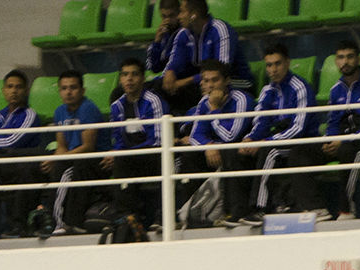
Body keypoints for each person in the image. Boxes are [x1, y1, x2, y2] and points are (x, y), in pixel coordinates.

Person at [242, 44, 322, 215]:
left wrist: (267, 142)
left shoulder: (300, 87)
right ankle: (235, 211)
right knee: (237, 153)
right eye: (269, 65)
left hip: (304, 143)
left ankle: (259, 209)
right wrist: (250, 139)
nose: (273, 70)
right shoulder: (267, 91)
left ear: (287, 63)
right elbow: (261, 122)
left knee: (269, 151)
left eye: (277, 64)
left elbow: (298, 128)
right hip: (280, 141)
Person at [319, 40, 360, 219]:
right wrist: (330, 140)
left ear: (358, 59)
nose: (345, 62)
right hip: (342, 141)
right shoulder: (335, 90)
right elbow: (332, 121)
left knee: (350, 153)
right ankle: (312, 208)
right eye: (340, 58)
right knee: (303, 153)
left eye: (349, 57)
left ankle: (346, 209)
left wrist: (345, 141)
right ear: (336, 61)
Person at [183, 61, 253, 227]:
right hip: (216, 153)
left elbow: (231, 136)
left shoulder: (242, 100)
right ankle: (190, 215)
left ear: (226, 81)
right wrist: (208, 146)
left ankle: (235, 213)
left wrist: (214, 109)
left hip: (242, 154)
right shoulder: (203, 103)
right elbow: (195, 135)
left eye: (215, 80)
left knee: (229, 152)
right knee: (188, 155)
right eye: (206, 81)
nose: (210, 85)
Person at [103, 58, 168, 237]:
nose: (129, 79)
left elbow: (157, 140)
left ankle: (154, 216)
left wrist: (125, 153)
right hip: (131, 156)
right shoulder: (117, 106)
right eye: (125, 75)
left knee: (124, 160)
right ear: (120, 79)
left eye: (134, 74)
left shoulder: (153, 101)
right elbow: (118, 137)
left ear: (142, 78)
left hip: (153, 155)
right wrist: (115, 153)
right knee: (114, 160)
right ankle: (126, 217)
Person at [36, 70, 105, 236]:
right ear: (60, 91)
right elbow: (61, 145)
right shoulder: (60, 111)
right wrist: (55, 158)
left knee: (64, 170)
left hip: (93, 160)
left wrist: (61, 159)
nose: (68, 92)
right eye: (64, 88)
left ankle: (57, 222)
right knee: (45, 165)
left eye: (73, 87)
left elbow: (88, 146)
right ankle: (41, 214)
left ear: (82, 90)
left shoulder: (88, 109)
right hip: (73, 158)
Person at [0, 69, 46, 240]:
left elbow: (12, 141)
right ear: (3, 91)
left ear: (26, 91)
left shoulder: (30, 115)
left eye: (18, 87)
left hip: (20, 166)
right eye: (10, 87)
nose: (14, 91)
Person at [177, 0, 253, 100]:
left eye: (182, 12)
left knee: (210, 84)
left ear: (193, 15)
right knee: (163, 88)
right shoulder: (184, 33)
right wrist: (170, 74)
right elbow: (174, 64)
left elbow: (221, 71)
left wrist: (185, 81)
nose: (179, 16)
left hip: (234, 81)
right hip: (207, 80)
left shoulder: (219, 29)